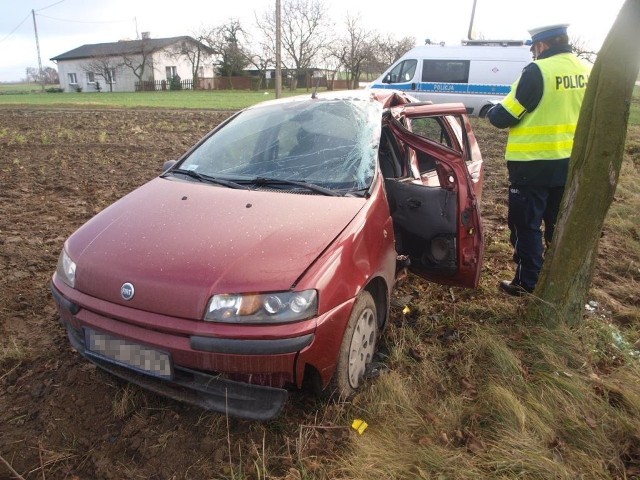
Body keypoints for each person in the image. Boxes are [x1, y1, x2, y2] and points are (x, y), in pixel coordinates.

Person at [487, 23, 590, 296]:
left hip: (532, 165)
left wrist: (492, 110)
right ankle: (555, 280)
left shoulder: (538, 71)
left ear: (542, 45)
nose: (534, 53)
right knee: (556, 224)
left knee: (526, 225)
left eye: (534, 48)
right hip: (567, 163)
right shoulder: (585, 70)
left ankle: (526, 283)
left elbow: (504, 116)